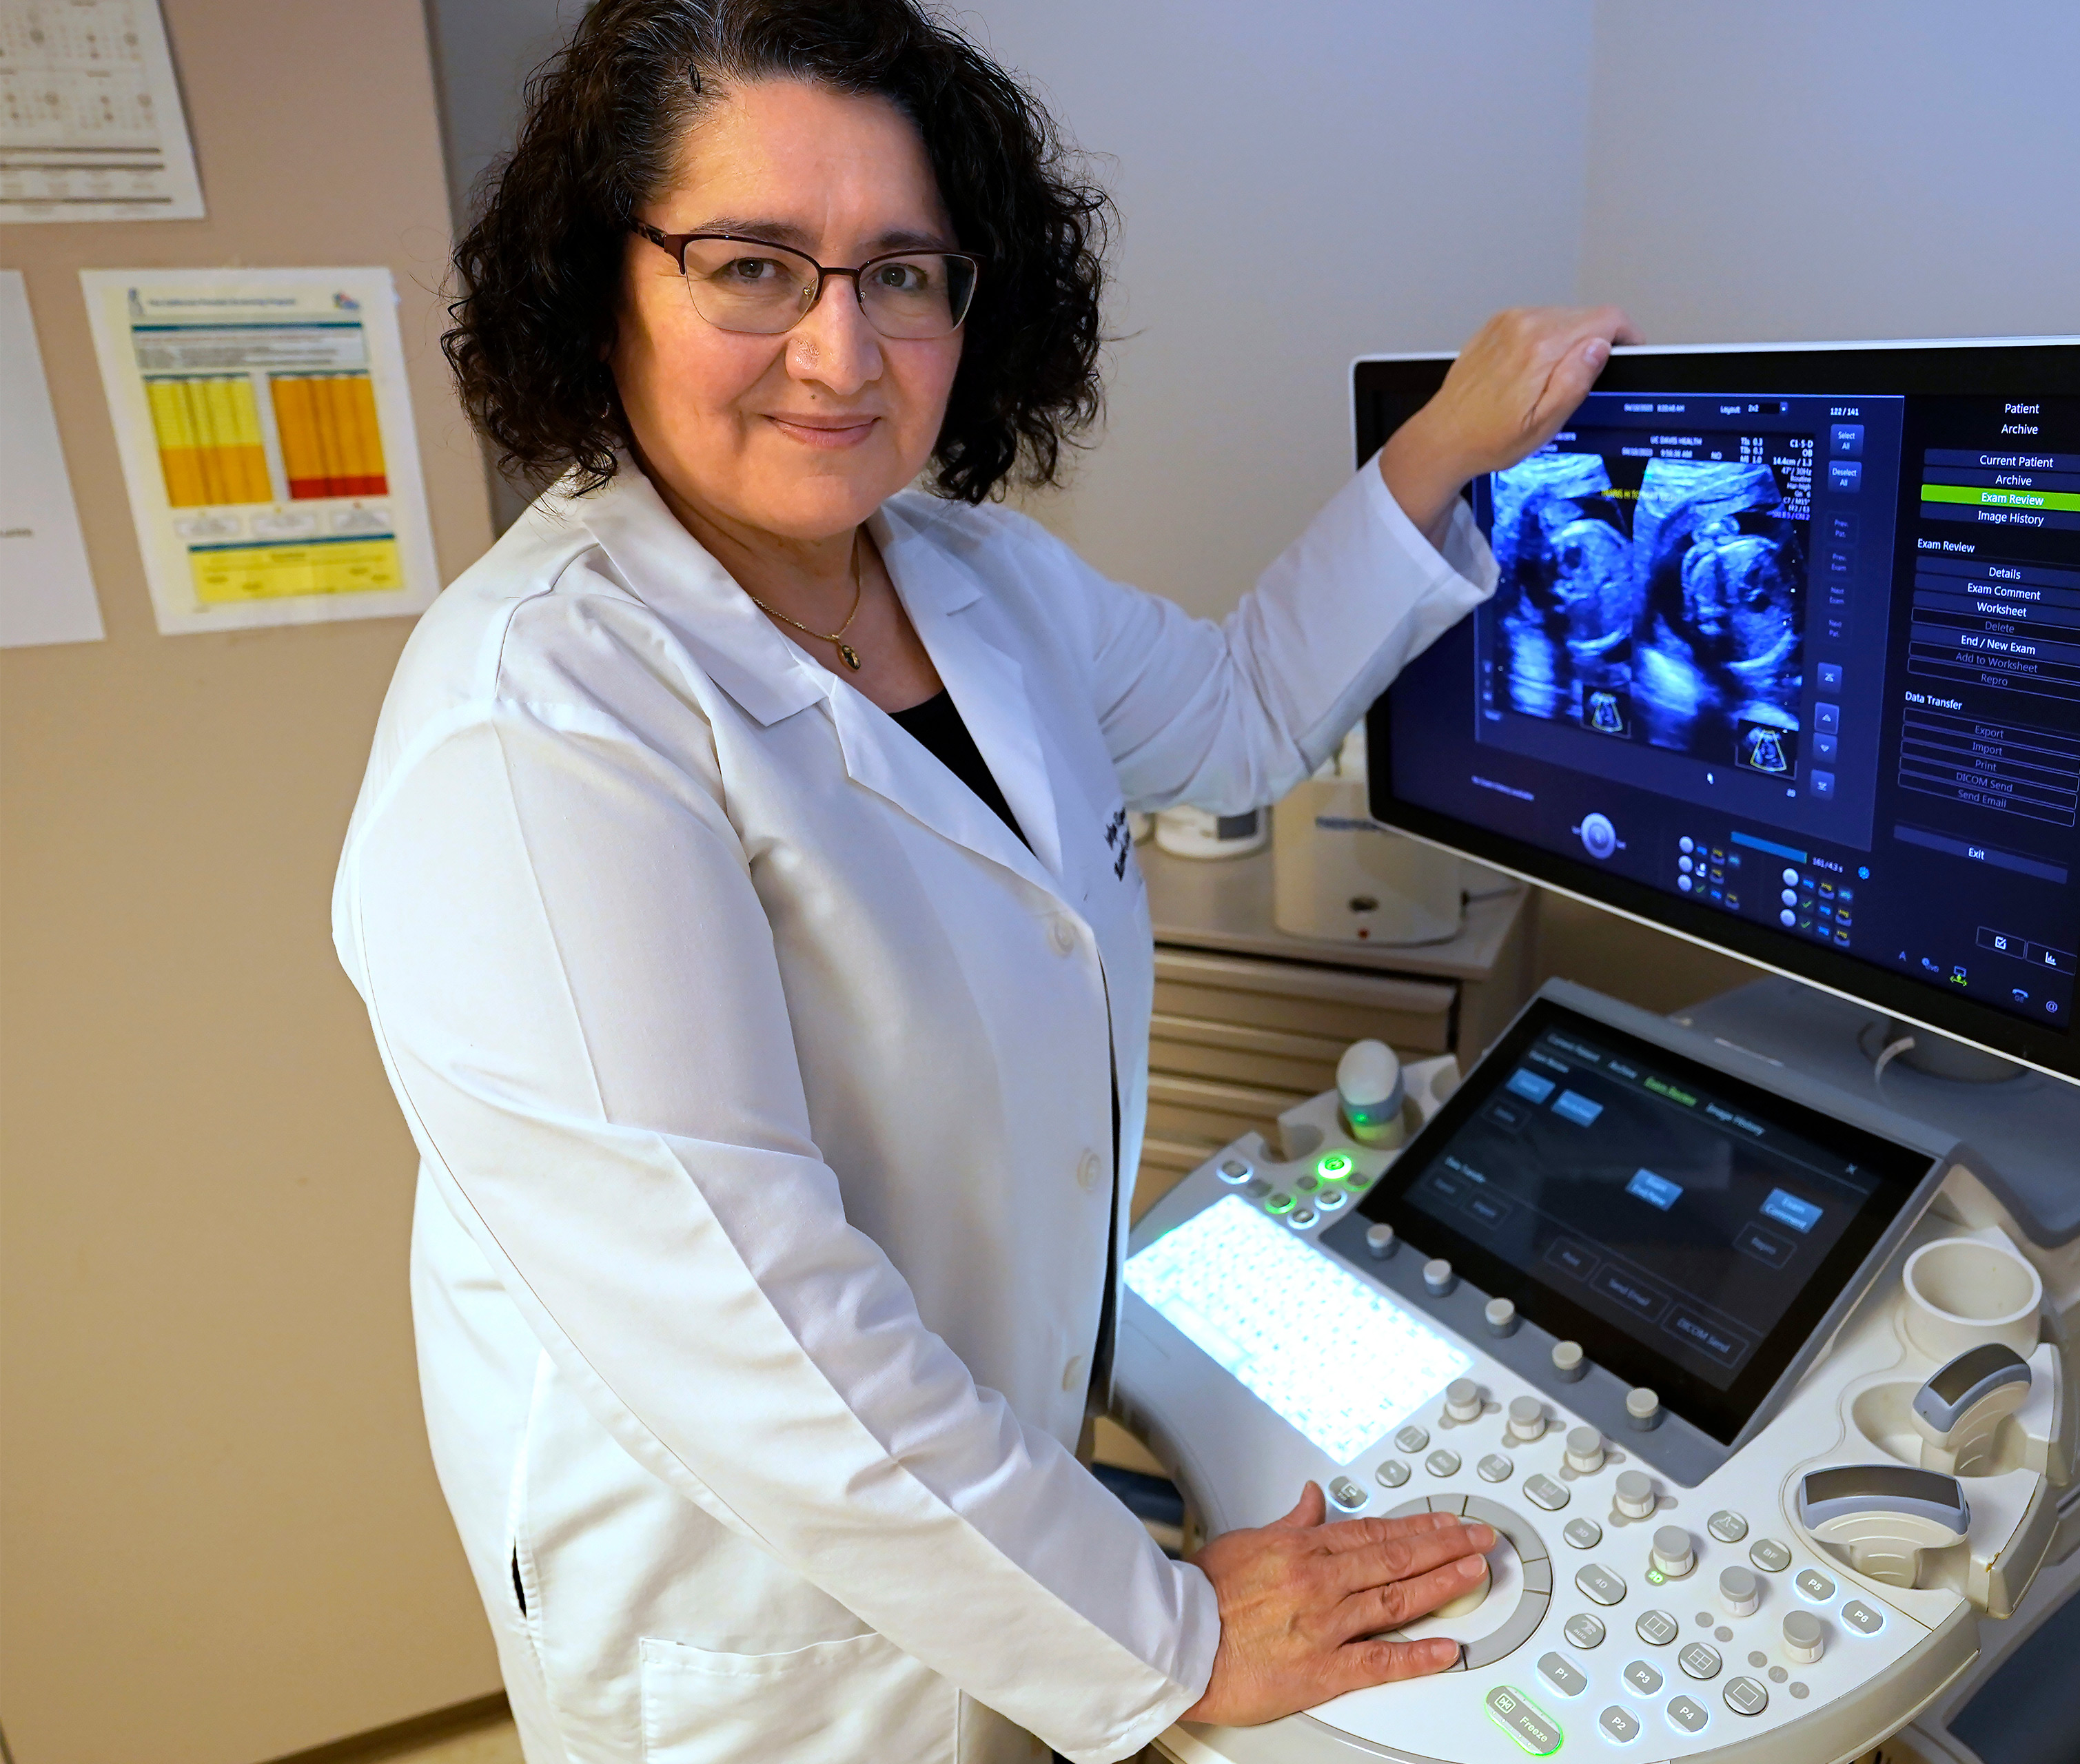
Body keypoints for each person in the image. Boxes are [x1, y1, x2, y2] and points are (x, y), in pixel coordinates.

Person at [329, 3, 1635, 1761]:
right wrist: (1172, 1634)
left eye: (903, 273)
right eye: (752, 267)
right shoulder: (542, 722)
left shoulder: (968, 574)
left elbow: (1237, 713)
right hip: (762, 1625)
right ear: (601, 283)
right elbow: (759, 1333)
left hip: (995, 1477)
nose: (839, 349)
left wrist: (1439, 452)